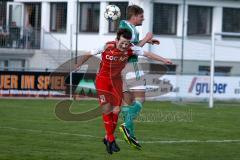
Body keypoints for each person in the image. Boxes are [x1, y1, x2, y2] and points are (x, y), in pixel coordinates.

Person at [75, 28, 172, 154]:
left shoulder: (131, 49)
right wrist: (78, 64)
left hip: (116, 81)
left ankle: (108, 138)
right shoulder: (107, 46)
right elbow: (88, 53)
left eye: (127, 43)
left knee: (116, 109)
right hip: (102, 80)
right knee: (106, 108)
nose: (125, 45)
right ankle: (110, 138)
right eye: (122, 43)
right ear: (116, 40)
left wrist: (164, 60)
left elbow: (147, 54)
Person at [118, 5, 161, 149]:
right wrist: (146, 38)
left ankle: (130, 134)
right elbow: (132, 50)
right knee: (141, 99)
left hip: (121, 68)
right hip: (132, 67)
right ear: (134, 16)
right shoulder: (129, 29)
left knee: (127, 103)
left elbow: (129, 44)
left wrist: (146, 41)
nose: (143, 18)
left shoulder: (126, 27)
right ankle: (126, 126)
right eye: (141, 16)